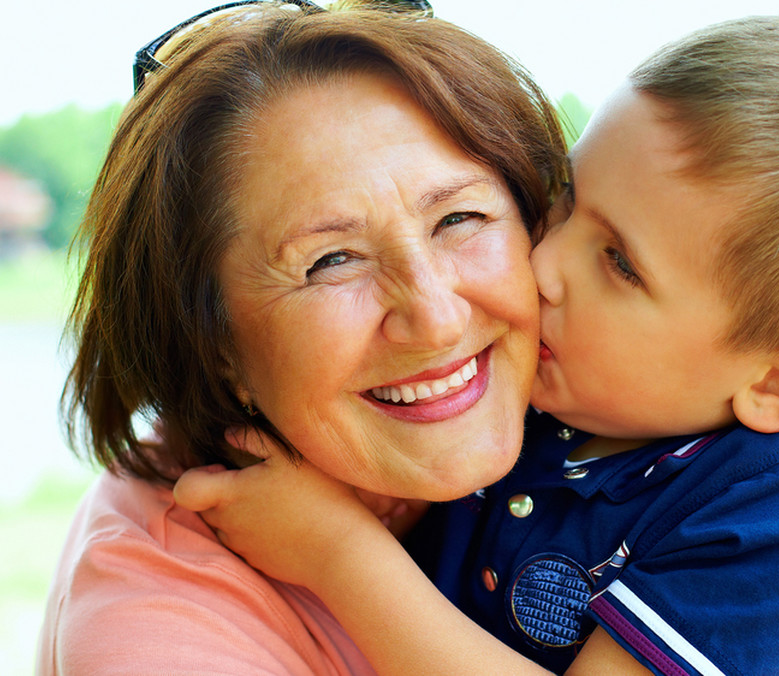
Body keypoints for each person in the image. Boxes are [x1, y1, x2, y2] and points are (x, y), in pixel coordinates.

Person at [173, 14, 779, 676]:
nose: (543, 264)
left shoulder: (774, 520)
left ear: (778, 385)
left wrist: (341, 554)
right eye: (565, 197)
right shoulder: (552, 397)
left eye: (619, 264)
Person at [37, 3, 566, 673]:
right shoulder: (159, 632)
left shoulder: (626, 423)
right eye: (331, 262)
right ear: (214, 342)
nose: (437, 318)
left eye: (459, 217)